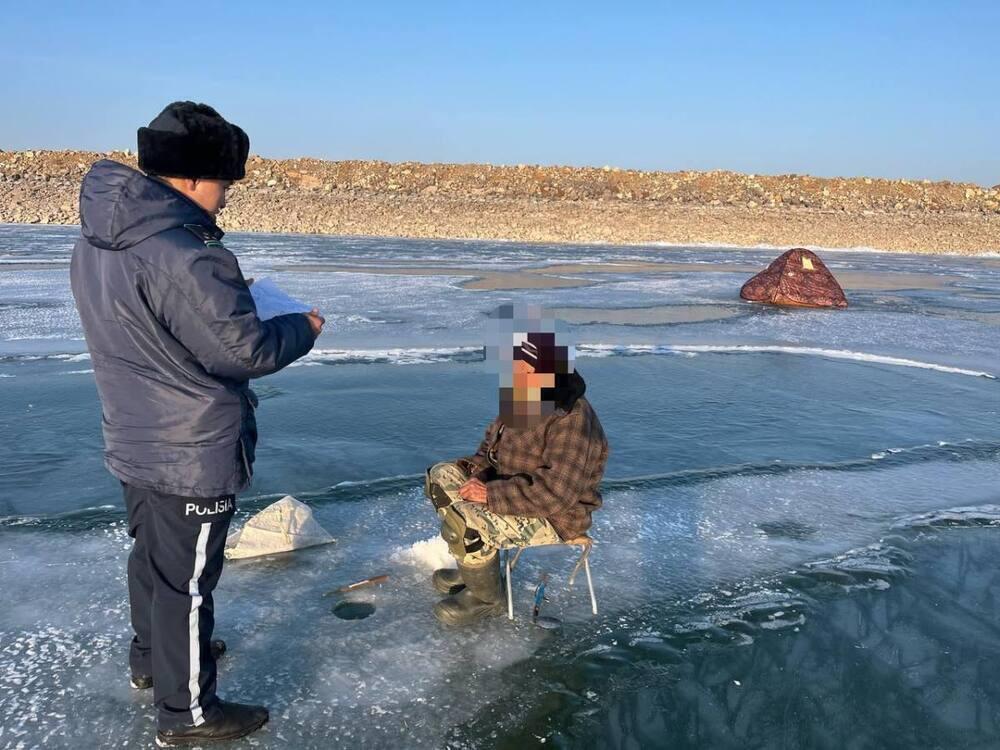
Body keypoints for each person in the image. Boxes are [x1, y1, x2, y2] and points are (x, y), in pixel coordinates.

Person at [70, 101, 324, 746]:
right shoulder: (184, 254)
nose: (226, 198)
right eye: (224, 183)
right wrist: (303, 327)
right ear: (189, 178)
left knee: (153, 560)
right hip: (190, 444)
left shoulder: (98, 238)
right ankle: (188, 715)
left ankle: (152, 661)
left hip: (132, 429)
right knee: (188, 583)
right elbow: (246, 351)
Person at [425, 327, 609, 626]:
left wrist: (489, 494)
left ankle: (487, 599)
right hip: (509, 488)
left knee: (465, 522)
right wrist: (479, 474)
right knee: (441, 478)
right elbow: (489, 449)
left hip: (555, 515)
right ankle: (477, 568)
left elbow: (555, 495)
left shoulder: (572, 419)